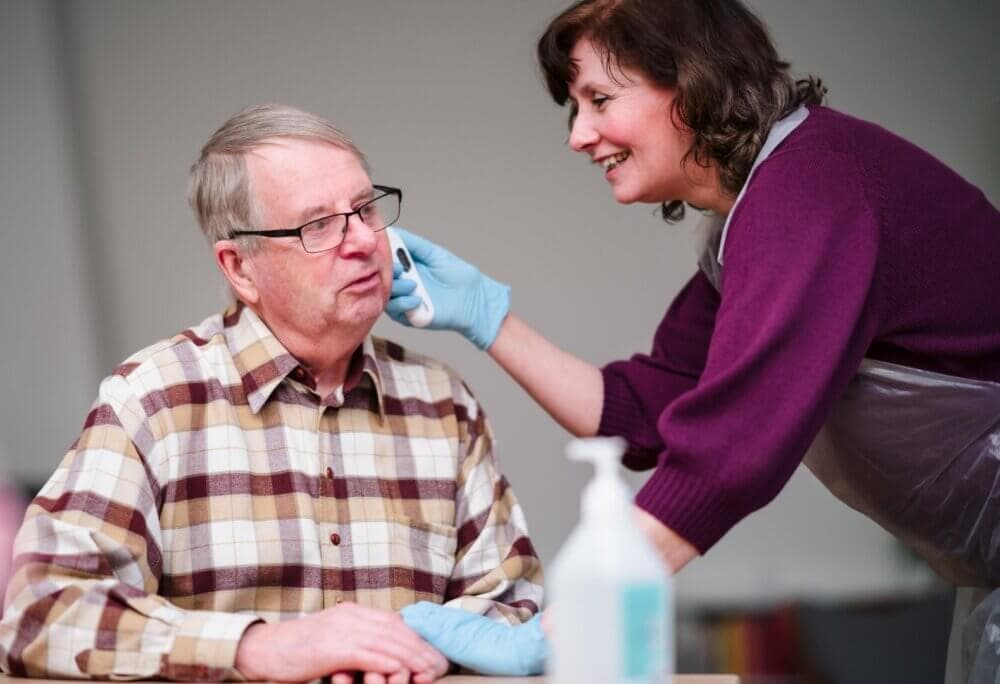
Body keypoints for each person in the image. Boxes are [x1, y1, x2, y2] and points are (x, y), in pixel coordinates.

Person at [388, 0, 1000, 678]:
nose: (578, 135)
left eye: (599, 99)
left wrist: (568, 627)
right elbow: (643, 414)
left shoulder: (812, 191)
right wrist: (489, 319)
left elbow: (733, 448)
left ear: (693, 85)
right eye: (574, 107)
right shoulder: (758, 213)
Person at [0, 104, 543, 683]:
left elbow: (511, 607)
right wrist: (258, 649)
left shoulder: (443, 403)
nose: (362, 240)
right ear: (240, 268)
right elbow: (43, 615)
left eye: (364, 209)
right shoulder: (153, 400)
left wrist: (414, 653)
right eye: (318, 225)